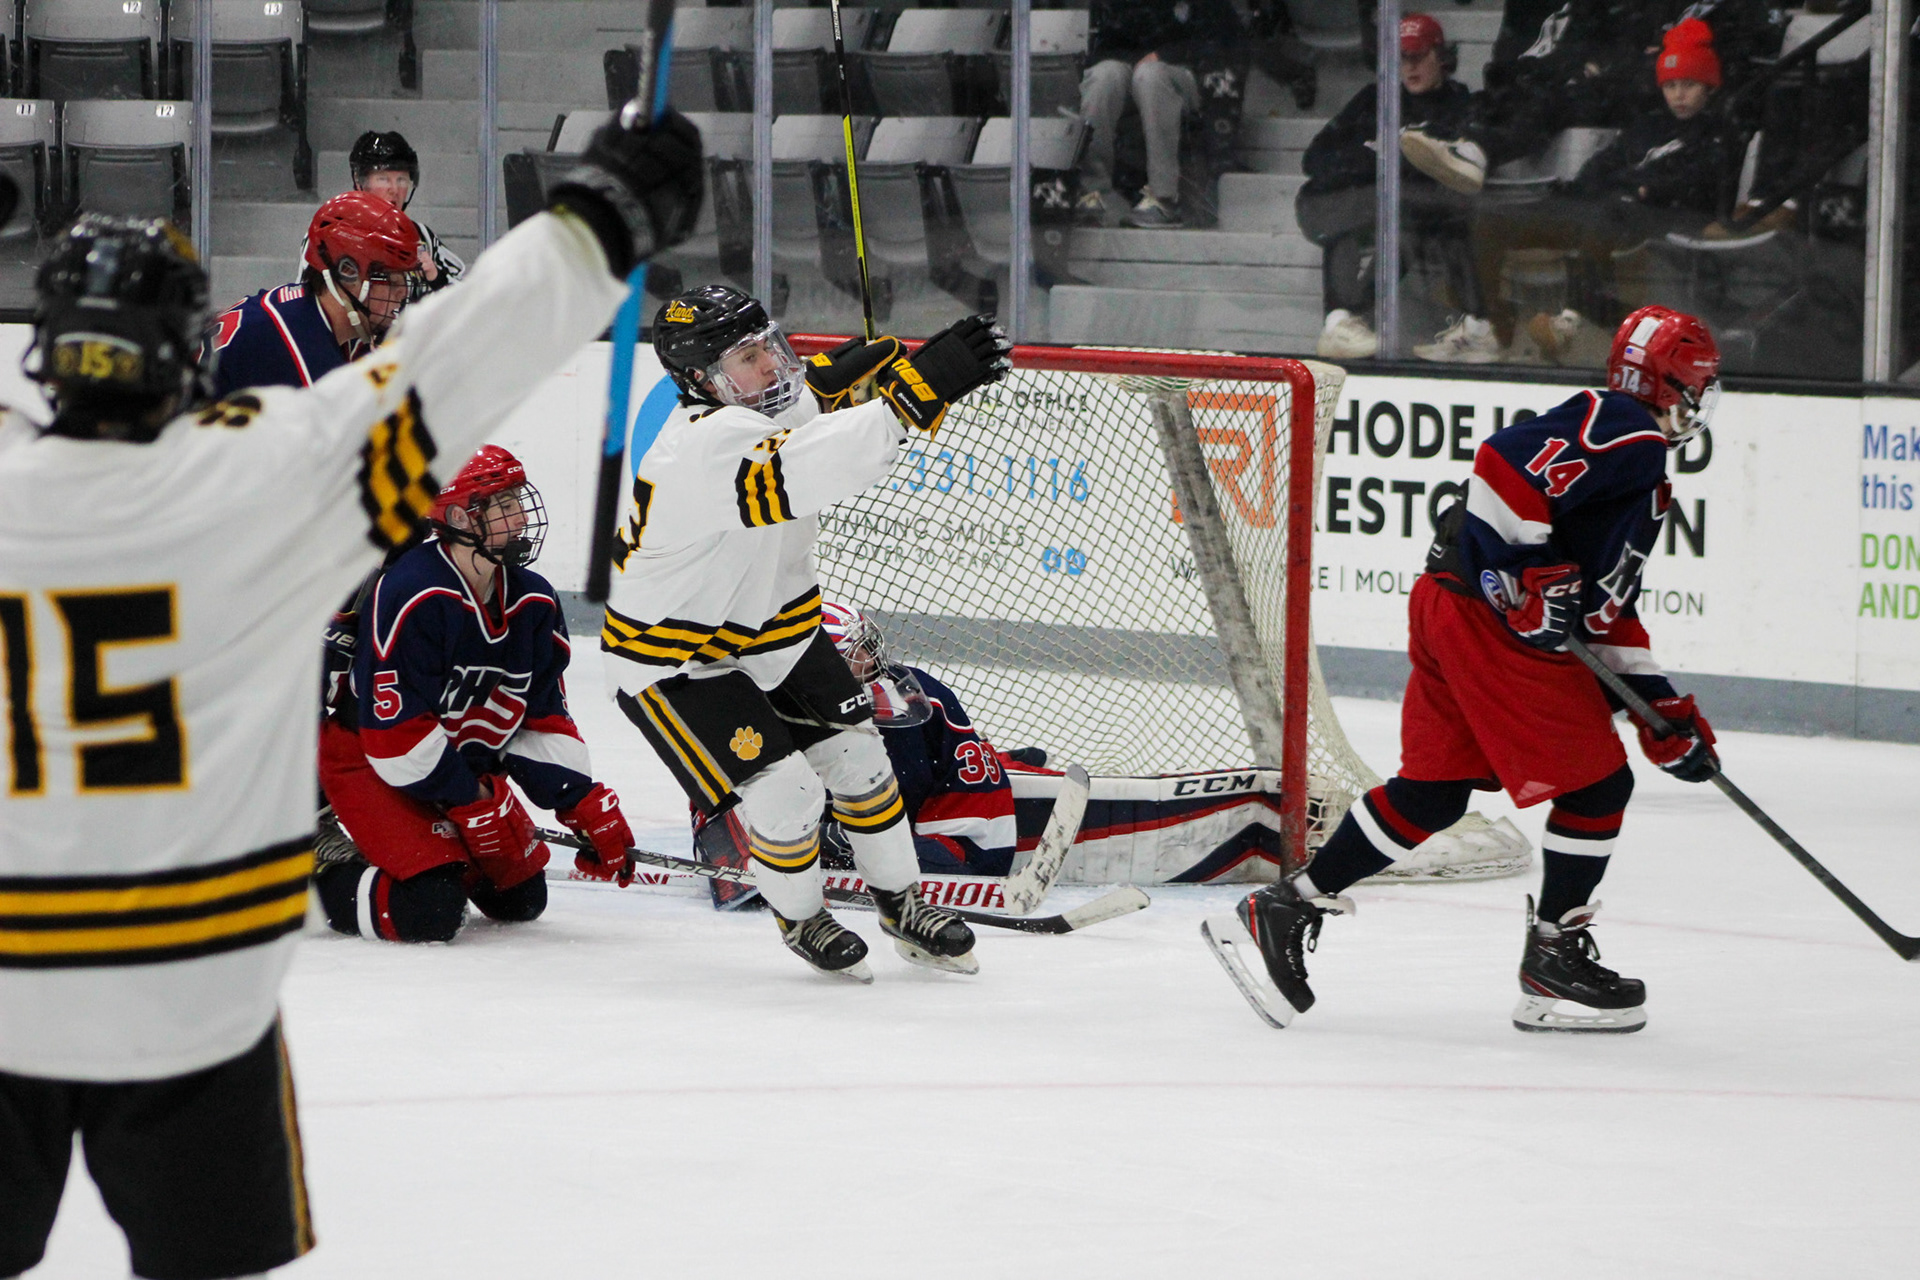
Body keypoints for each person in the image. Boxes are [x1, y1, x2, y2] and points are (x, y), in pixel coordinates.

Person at [0, 102, 701, 1280]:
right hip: (193, 985)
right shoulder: (264, 473)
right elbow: (460, 357)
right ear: (183, 349)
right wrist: (602, 220)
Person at [1206, 305, 1722, 1034]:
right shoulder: (1629, 433)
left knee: (1433, 793)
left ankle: (1285, 906)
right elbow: (1502, 464)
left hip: (1453, 604)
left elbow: (1603, 615)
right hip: (1484, 619)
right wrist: (1520, 575)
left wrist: (1662, 712)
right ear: (1678, 387)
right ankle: (1554, 960)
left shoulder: (1631, 458)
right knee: (1599, 787)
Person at [602, 284, 1010, 981]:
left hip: (774, 629)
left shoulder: (743, 410)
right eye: (748, 358)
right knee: (787, 794)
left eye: (768, 346)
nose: (771, 364)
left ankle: (902, 906)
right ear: (700, 378)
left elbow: (797, 417)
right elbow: (802, 468)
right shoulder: (697, 450)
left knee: (863, 765)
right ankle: (801, 917)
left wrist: (825, 388)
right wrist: (904, 402)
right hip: (677, 661)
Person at [312, 447, 638, 942]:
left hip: (456, 764)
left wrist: (579, 801)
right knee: (430, 911)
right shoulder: (416, 592)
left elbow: (540, 714)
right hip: (370, 757)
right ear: (460, 518)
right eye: (504, 506)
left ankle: (434, 854)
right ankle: (307, 878)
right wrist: (470, 797)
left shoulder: (534, 599)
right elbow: (394, 735)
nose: (521, 517)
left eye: (518, 502)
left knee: (520, 900)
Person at [1419, 19, 1741, 364]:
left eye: (1689, 85)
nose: (1678, 95)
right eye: (1671, 85)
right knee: (1491, 222)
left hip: (1650, 221)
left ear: (1709, 86)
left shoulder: (1719, 133)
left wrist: (1635, 188)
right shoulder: (1649, 124)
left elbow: (1693, 184)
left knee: (1607, 210)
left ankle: (1572, 319)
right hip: (1602, 212)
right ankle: (1488, 325)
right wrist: (1588, 190)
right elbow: (1603, 164)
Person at [692, 602, 1026, 910]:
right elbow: (723, 843)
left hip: (939, 829)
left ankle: (1014, 763)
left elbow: (976, 861)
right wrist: (799, 842)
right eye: (850, 655)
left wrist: (847, 842)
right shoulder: (745, 718)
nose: (869, 660)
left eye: (866, 646)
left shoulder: (918, 698)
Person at [1298, 13, 1487, 359]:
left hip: (1418, 213)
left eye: (1418, 55)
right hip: (1360, 203)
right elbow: (1314, 157)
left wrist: (1378, 159)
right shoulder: (1374, 97)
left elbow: (1449, 174)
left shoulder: (1458, 104)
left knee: (1415, 221)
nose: (1409, 66)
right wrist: (1377, 163)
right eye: (1401, 57)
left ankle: (1348, 317)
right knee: (1343, 212)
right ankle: (1340, 321)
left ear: (1441, 56)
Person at [206, 191, 421, 397]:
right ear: (347, 271)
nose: (402, 293)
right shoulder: (288, 342)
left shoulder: (321, 322)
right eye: (390, 279)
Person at [1077, 0, 1244, 228]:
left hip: (1190, 74)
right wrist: (1134, 60)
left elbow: (1221, 38)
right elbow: (1105, 45)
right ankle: (1093, 192)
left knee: (1150, 76)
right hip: (1133, 69)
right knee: (1103, 77)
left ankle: (1164, 198)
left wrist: (1165, 54)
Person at [347, 129, 466, 297]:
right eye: (383, 179)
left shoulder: (422, 238)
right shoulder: (331, 233)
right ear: (359, 182)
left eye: (401, 180)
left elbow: (465, 296)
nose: (394, 189)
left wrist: (436, 278)